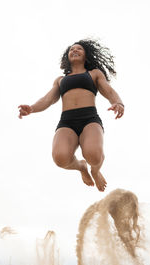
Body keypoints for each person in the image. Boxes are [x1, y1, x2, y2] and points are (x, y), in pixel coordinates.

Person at [18, 39, 124, 192]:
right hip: (67, 121)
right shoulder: (61, 80)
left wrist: (118, 103)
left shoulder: (94, 74)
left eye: (79, 49)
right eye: (71, 49)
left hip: (89, 119)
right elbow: (48, 99)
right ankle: (81, 167)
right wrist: (32, 108)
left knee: (93, 155)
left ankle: (95, 171)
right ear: (67, 57)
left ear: (86, 55)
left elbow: (108, 90)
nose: (74, 50)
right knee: (60, 158)